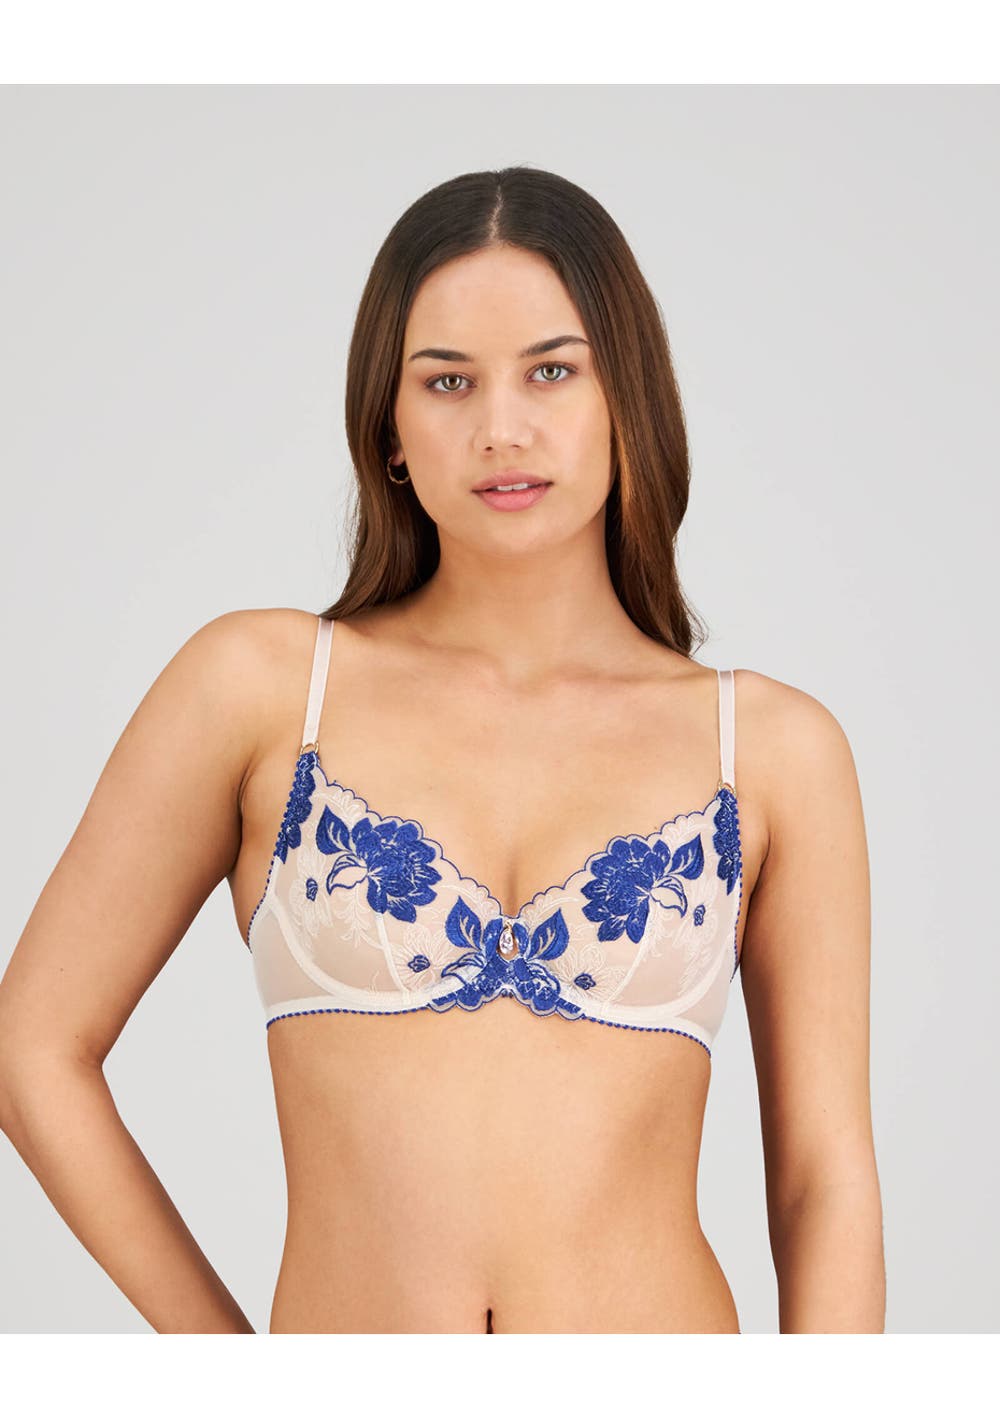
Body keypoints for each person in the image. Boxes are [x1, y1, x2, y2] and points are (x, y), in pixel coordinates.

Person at [0, 165, 885, 1334]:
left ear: (626, 398)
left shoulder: (768, 750)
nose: (500, 428)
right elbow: (32, 1048)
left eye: (552, 370)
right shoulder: (263, 690)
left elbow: (823, 1179)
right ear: (391, 428)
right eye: (448, 381)